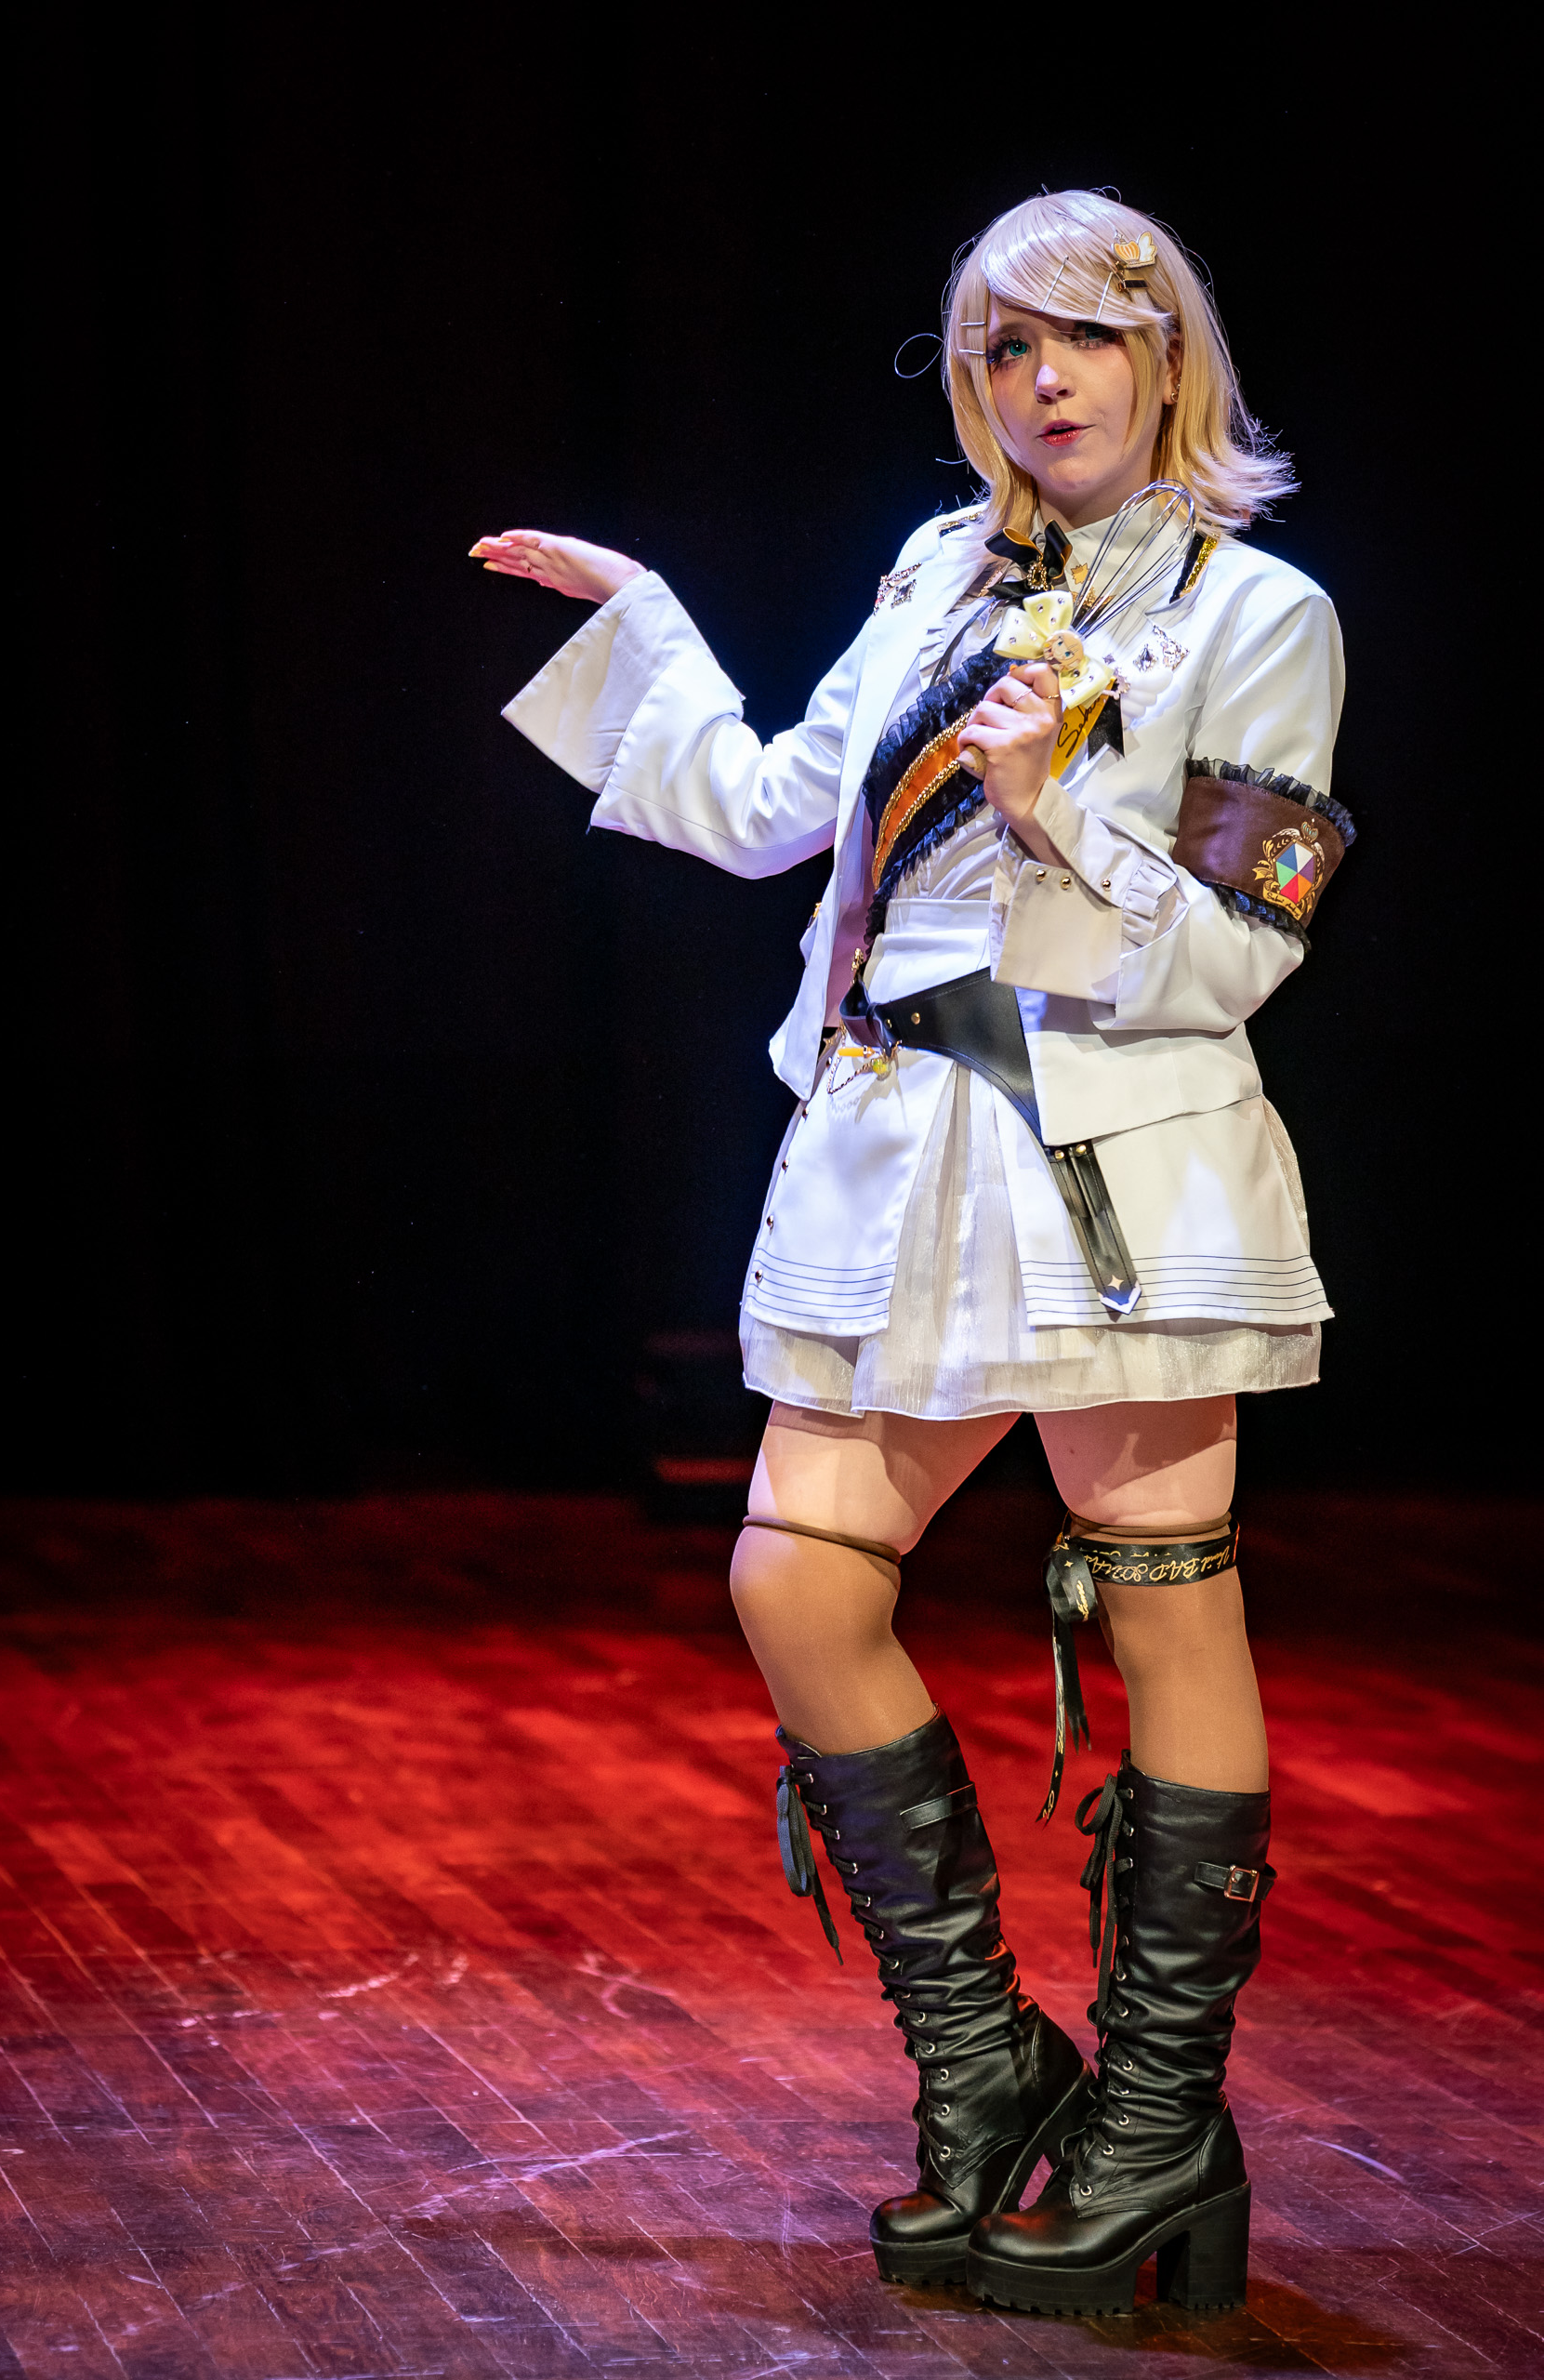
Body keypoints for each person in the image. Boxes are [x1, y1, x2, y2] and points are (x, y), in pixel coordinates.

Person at [477, 189, 1352, 2320]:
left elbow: (1248, 937)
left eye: (1074, 340)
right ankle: (986, 2061)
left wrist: (1057, 808)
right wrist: (647, 623)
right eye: (995, 352)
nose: (1036, 382)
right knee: (791, 1576)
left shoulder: (1261, 610)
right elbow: (771, 802)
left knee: (1159, 1599)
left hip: (1117, 1159)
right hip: (900, 1148)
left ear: (1162, 355)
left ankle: (1154, 2122)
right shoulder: (935, 568)